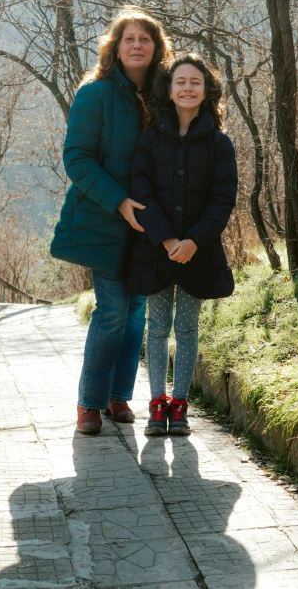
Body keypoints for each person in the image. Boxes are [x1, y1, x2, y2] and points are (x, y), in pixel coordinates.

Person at [50, 7, 173, 435]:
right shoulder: (95, 94)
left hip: (151, 225)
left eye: (145, 39)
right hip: (103, 219)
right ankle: (89, 403)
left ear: (156, 48)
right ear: (115, 48)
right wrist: (119, 201)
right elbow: (77, 159)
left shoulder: (164, 96)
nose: (137, 45)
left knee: (136, 311)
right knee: (113, 311)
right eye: (129, 39)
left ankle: (119, 397)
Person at [127, 53, 238, 436]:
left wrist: (193, 241)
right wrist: (169, 238)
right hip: (156, 251)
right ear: (170, 91)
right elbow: (140, 190)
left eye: (195, 82)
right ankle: (157, 404)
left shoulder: (220, 144)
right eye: (181, 82)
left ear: (207, 91)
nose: (188, 88)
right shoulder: (151, 139)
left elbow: (222, 200)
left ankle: (180, 405)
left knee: (187, 329)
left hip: (199, 254)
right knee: (156, 327)